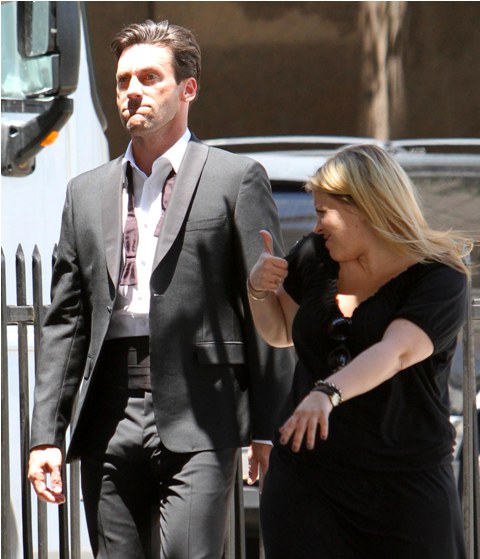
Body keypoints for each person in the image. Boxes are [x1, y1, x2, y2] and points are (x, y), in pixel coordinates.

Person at [27, 20, 293, 559]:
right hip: (108, 411)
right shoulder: (85, 193)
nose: (132, 91)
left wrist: (266, 428)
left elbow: (264, 306)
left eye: (150, 77)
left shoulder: (236, 179)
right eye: (123, 80)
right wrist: (46, 435)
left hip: (203, 410)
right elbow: (65, 321)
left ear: (188, 88)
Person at [247, 144, 472, 559]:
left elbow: (398, 351)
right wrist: (258, 290)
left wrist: (327, 393)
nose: (316, 226)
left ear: (365, 208)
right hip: (308, 482)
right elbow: (280, 331)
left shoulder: (439, 276)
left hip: (405, 485)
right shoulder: (315, 256)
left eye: (323, 212)